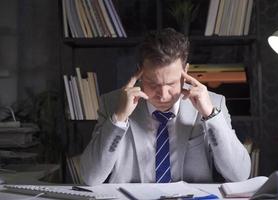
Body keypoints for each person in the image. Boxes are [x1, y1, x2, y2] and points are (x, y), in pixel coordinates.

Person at [80, 28, 251, 185]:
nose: (163, 95)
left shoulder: (213, 104)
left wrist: (211, 116)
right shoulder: (113, 104)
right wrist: (118, 119)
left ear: (186, 71)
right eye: (152, 83)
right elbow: (90, 177)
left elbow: (239, 175)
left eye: (171, 83)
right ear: (139, 73)